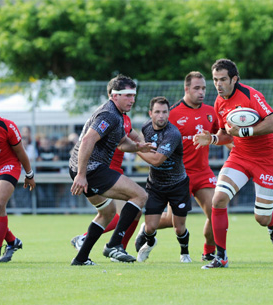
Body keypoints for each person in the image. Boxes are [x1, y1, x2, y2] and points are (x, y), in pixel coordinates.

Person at [193, 58, 273, 269]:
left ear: (234, 79)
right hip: (240, 156)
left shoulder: (252, 95)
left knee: (261, 217)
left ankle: (272, 222)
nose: (218, 84)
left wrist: (246, 131)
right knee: (219, 199)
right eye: (215, 80)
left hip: (266, 160)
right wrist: (213, 139)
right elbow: (226, 134)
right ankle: (221, 256)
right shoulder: (219, 102)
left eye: (223, 79)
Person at [69, 74, 155, 266]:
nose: (132, 100)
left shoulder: (119, 116)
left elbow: (122, 142)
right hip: (91, 169)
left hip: (86, 169)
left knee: (107, 213)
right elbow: (88, 139)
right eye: (127, 95)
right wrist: (82, 175)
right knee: (140, 196)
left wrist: (139, 147)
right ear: (113, 96)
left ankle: (81, 258)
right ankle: (114, 244)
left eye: (133, 95)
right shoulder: (109, 114)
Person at [135, 71, 219, 261]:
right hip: (179, 176)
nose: (201, 92)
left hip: (202, 172)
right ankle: (147, 228)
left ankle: (208, 253)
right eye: (197, 88)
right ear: (186, 89)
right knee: (171, 222)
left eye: (204, 88)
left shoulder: (210, 112)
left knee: (217, 213)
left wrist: (231, 144)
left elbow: (220, 137)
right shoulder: (171, 114)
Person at [134, 97, 193, 263]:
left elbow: (156, 160)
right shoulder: (146, 127)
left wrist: (135, 148)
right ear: (150, 113)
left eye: (165, 112)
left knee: (179, 228)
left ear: (169, 113)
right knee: (150, 226)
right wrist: (137, 143)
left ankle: (184, 253)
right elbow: (140, 140)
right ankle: (151, 242)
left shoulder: (172, 134)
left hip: (178, 185)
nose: (161, 116)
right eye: (157, 112)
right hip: (156, 186)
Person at [0, 96, 36, 263]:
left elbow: (21, 153)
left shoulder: (6, 126)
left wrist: (29, 174)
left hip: (8, 165)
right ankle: (12, 241)